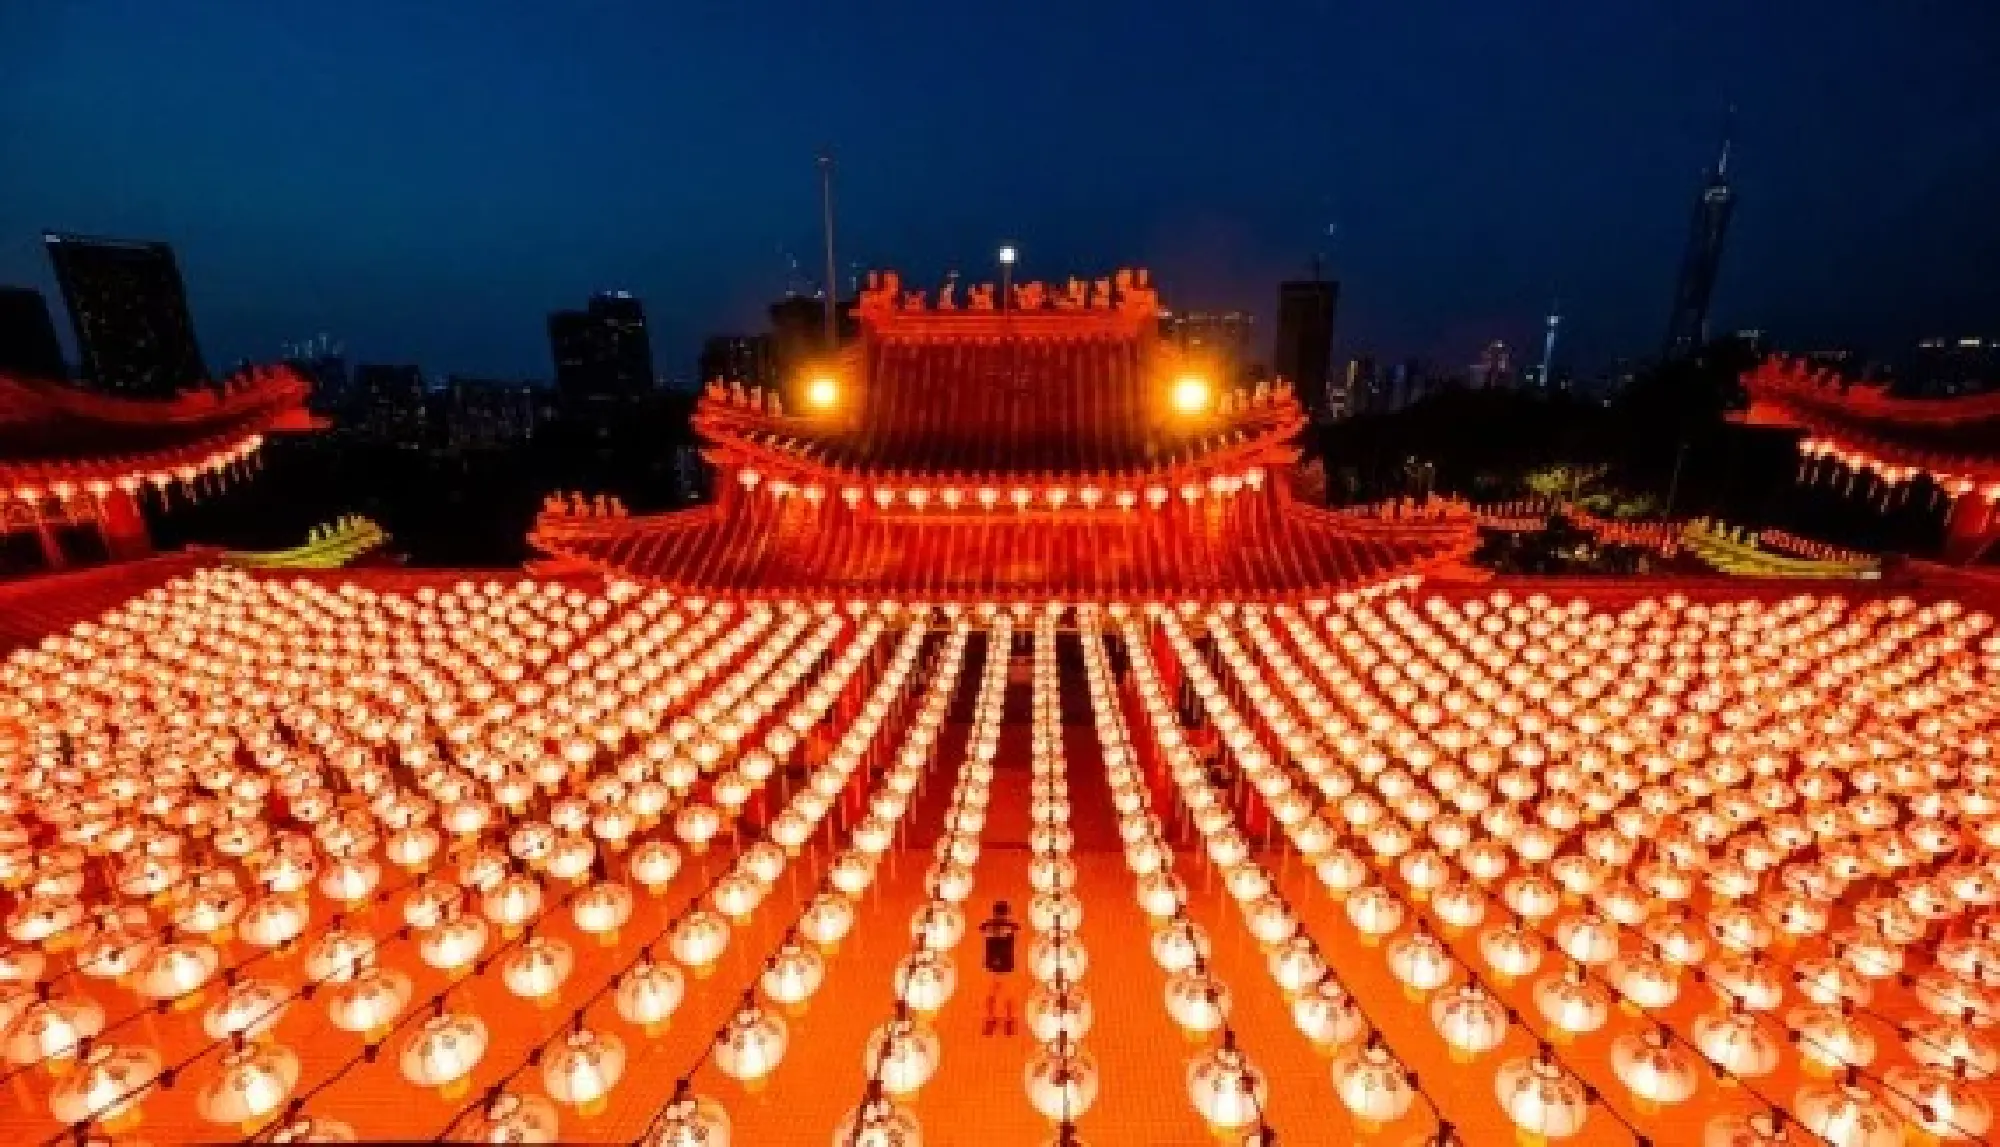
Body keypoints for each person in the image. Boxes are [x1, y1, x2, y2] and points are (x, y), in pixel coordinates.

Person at [980, 900, 1021, 1036]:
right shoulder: (1005, 928)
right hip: (1000, 965)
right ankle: (995, 1019)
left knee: (1001, 994)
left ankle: (1005, 1019)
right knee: (995, 994)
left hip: (1001, 965)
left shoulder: (994, 927)